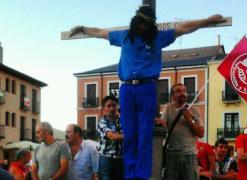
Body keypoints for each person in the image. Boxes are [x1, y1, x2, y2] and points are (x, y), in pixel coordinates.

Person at [69, 6, 224, 180]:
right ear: (136, 22)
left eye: (146, 24)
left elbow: (184, 28)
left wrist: (208, 20)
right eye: (140, 24)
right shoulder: (125, 36)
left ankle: (141, 176)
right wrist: (84, 29)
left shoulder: (158, 37)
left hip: (147, 87)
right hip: (127, 88)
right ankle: (130, 175)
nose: (142, 27)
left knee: (144, 133)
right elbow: (100, 32)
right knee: (130, 134)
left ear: (150, 25)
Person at [156, 83, 204, 180]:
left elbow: (201, 133)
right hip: (171, 155)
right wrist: (160, 122)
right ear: (173, 96)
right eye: (178, 91)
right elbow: (164, 125)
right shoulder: (168, 108)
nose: (182, 93)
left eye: (184, 91)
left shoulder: (194, 109)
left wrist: (189, 119)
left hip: (189, 155)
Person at [98, 95, 124, 180]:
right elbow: (111, 136)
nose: (112, 108)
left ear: (117, 106)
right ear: (104, 108)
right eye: (108, 106)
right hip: (107, 159)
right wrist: (129, 136)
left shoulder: (123, 121)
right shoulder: (102, 122)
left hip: (121, 159)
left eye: (114, 105)